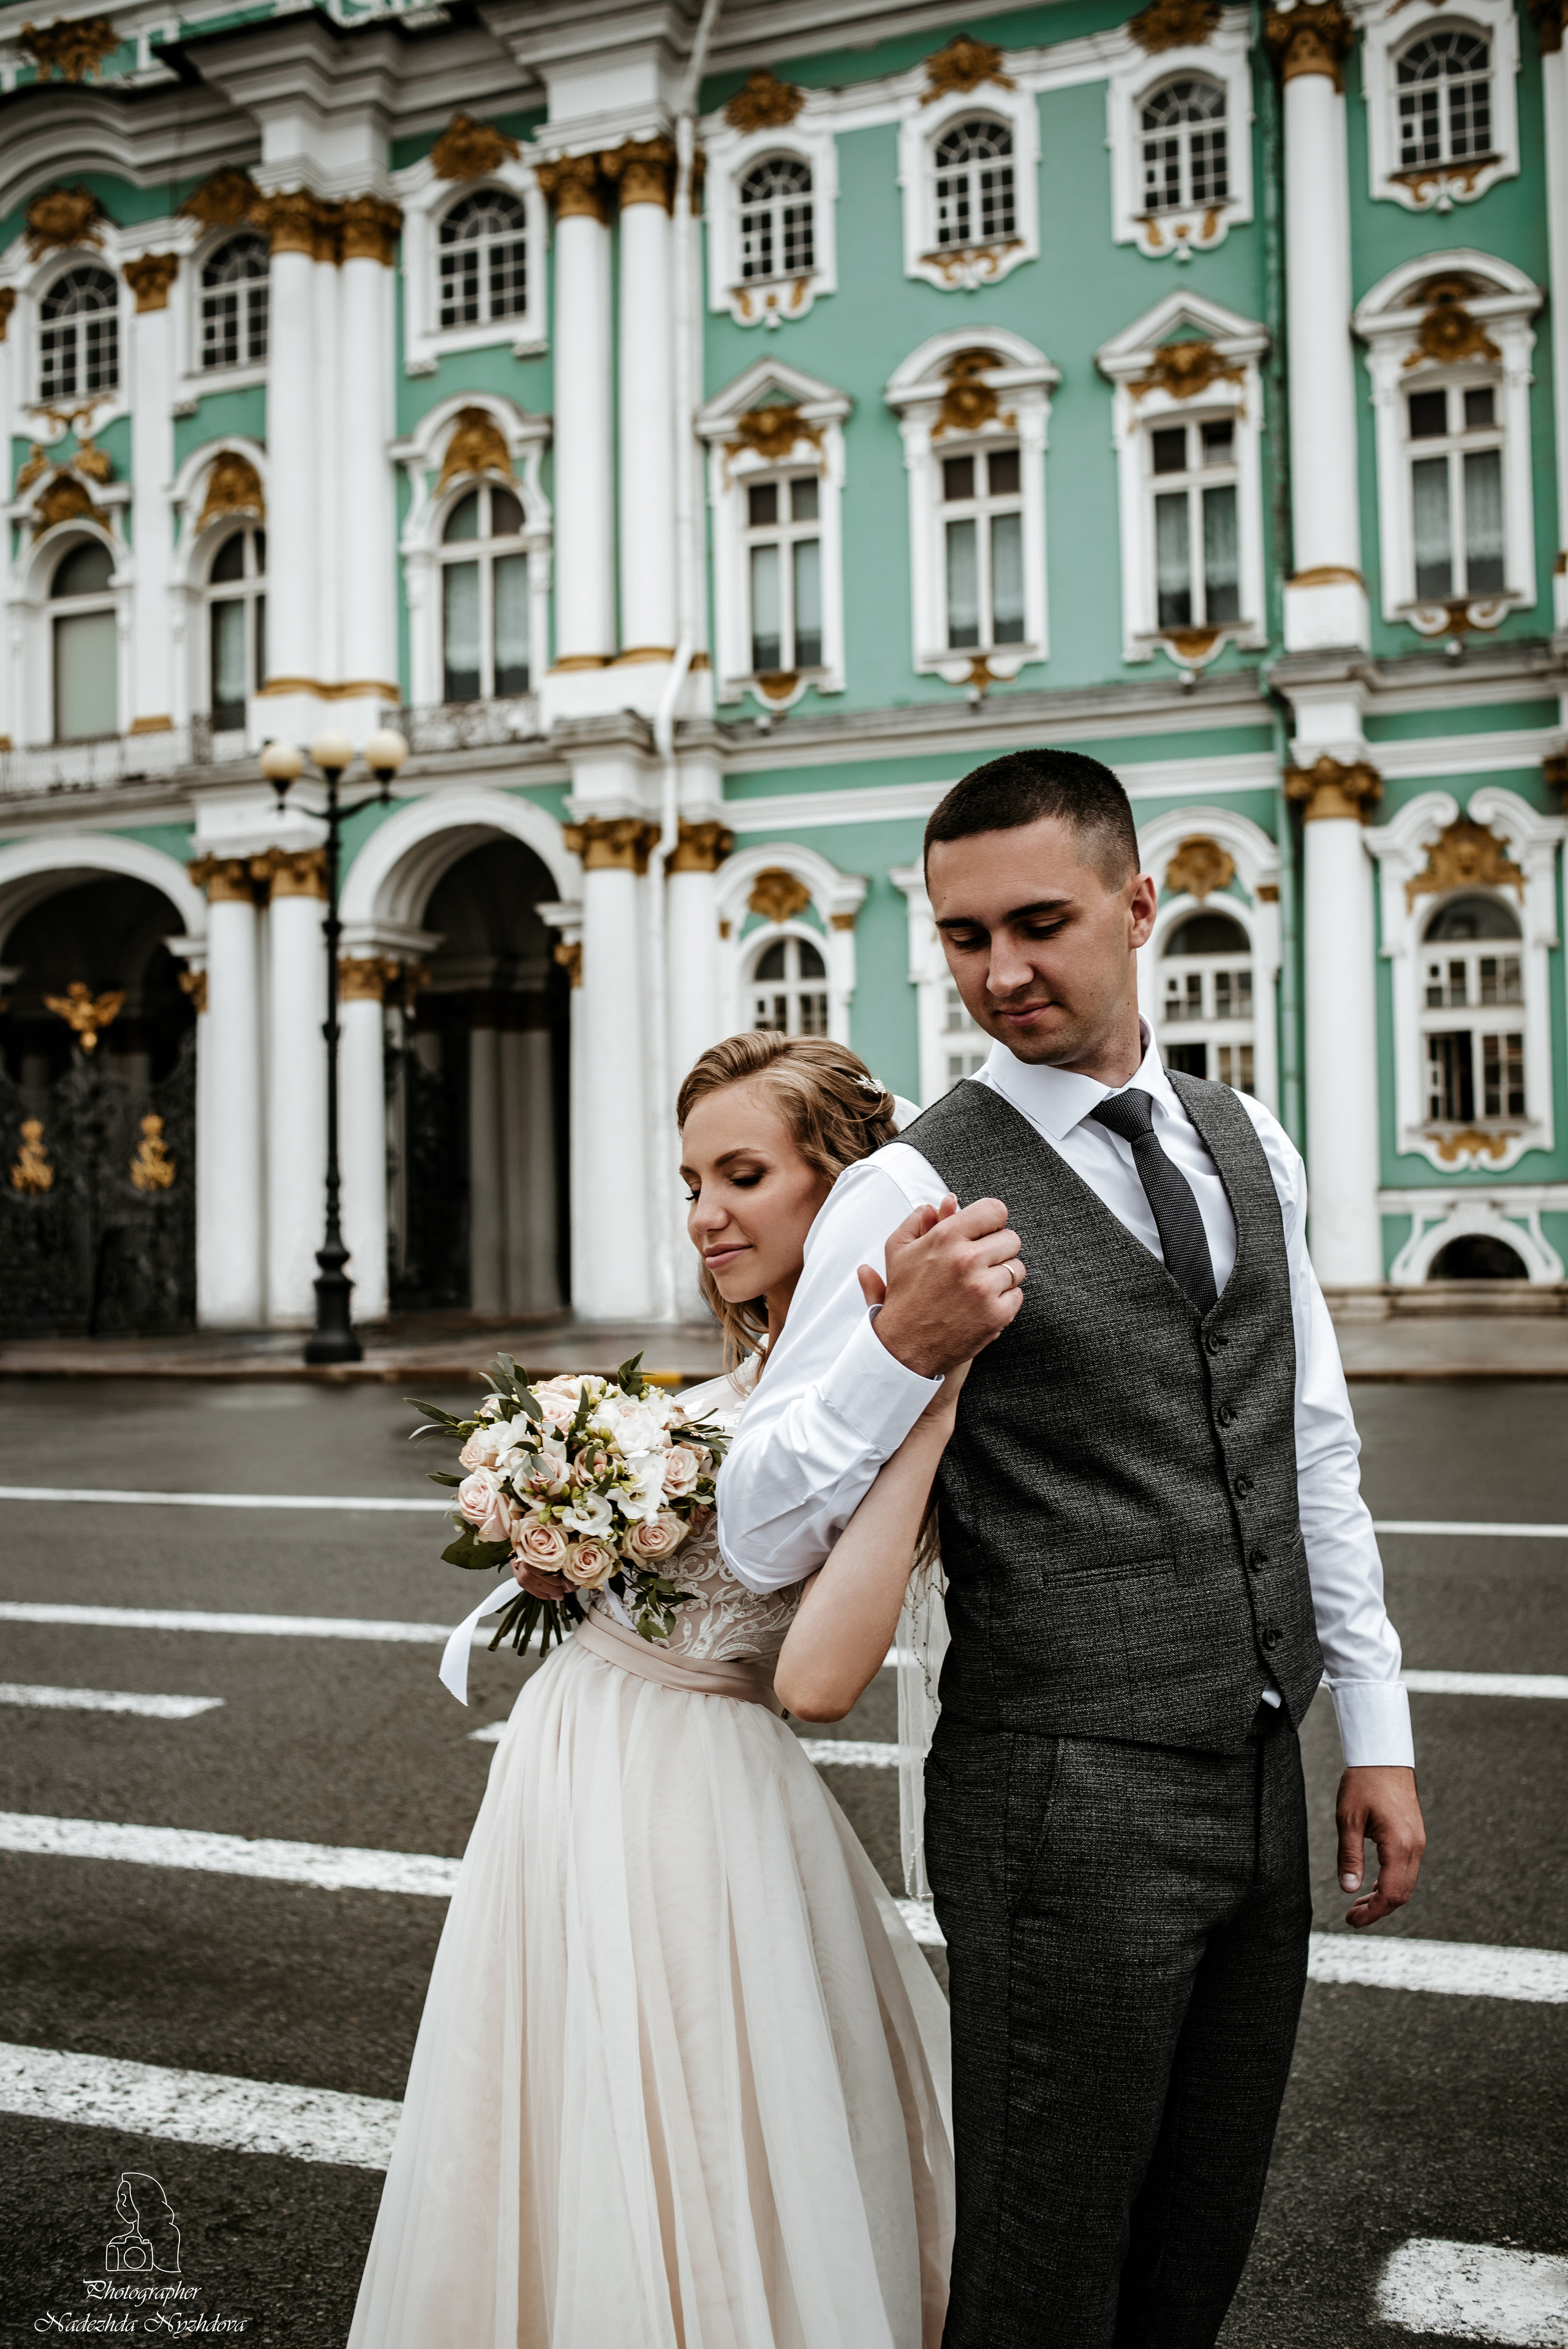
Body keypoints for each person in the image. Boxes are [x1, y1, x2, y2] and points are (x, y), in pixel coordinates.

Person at [717, 748, 1427, 2349]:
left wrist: (1369, 1734)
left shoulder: (1249, 1141)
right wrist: (904, 1345)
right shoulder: (908, 1182)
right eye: (965, 935)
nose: (1000, 972)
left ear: (1140, 903)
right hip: (1059, 1799)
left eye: (1039, 921)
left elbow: (1309, 1446)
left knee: (1196, 2251)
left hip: (1254, 1773)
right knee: (1044, 2279)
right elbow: (757, 1516)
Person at [347, 1032, 964, 2349]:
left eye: (742, 1174)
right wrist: (557, 1528)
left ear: (838, 1182)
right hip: (570, 1763)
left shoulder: (889, 1391)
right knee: (562, 2123)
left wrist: (925, 1403)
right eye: (690, 1182)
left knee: (693, 2123)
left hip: (690, 1796)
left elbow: (820, 1680)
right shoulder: (765, 1379)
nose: (705, 1215)